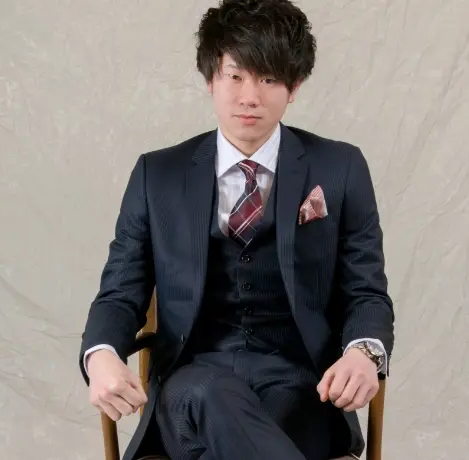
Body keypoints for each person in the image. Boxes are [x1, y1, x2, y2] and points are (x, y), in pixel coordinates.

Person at [79, 1, 395, 459]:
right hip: (192, 383)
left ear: (294, 87)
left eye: (268, 79)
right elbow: (119, 293)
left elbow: (366, 292)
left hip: (299, 388)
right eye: (235, 76)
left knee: (243, 431)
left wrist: (364, 353)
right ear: (211, 79)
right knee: (207, 394)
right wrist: (102, 354)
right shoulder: (157, 175)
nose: (250, 97)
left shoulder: (340, 167)